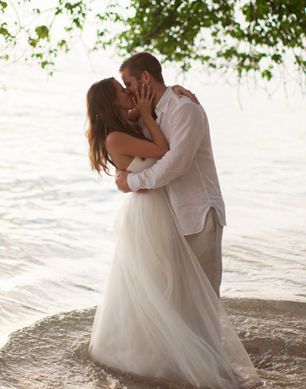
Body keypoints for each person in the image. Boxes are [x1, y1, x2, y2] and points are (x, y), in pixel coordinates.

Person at [85, 74, 260, 388]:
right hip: (148, 215)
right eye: (121, 90)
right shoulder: (117, 135)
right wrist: (149, 114)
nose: (128, 92)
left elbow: (162, 111)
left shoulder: (129, 122)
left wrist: (172, 91)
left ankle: (183, 352)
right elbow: (162, 147)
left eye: (129, 85)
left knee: (171, 286)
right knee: (156, 287)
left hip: (158, 211)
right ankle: (164, 356)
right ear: (112, 102)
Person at [115, 52, 225, 298]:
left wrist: (131, 182)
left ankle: (207, 339)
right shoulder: (144, 114)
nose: (128, 91)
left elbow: (176, 164)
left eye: (129, 84)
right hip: (165, 219)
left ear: (145, 77)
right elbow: (128, 152)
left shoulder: (184, 109)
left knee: (203, 298)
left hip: (197, 214)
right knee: (174, 300)